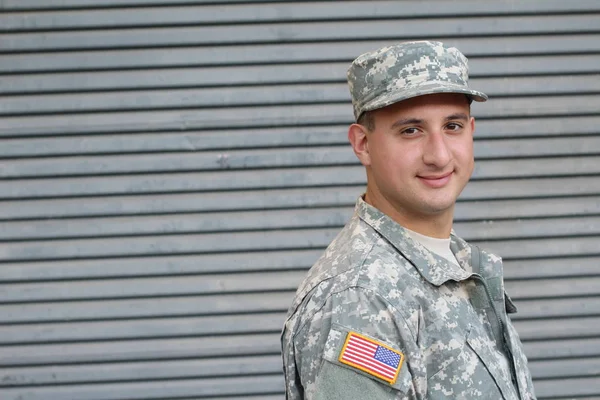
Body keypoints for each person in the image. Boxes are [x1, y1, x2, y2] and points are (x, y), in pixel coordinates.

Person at [280, 41, 536, 399]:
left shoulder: (454, 262)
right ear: (363, 144)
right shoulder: (361, 299)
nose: (439, 154)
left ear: (472, 131)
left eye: (453, 126)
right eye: (410, 130)